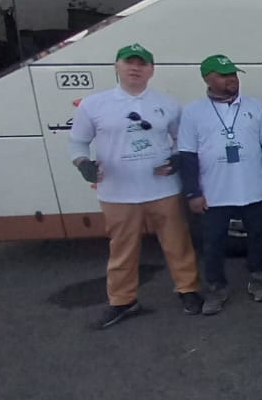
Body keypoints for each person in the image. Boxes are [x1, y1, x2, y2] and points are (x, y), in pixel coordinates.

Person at [69, 43, 203, 329]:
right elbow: (77, 141)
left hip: (163, 189)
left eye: (142, 64)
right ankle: (122, 300)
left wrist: (177, 159)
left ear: (151, 70)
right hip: (117, 192)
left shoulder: (167, 104)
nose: (135, 68)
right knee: (122, 249)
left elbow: (182, 140)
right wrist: (82, 163)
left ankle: (188, 289)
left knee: (178, 243)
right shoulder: (94, 104)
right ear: (117, 66)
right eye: (129, 62)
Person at [177, 54, 262, 313]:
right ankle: (216, 288)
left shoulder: (255, 107)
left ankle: (258, 279)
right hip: (214, 192)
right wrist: (192, 192)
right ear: (207, 79)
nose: (232, 80)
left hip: (252, 188)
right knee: (213, 242)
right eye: (224, 75)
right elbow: (187, 155)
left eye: (233, 74)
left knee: (258, 237)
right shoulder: (193, 112)